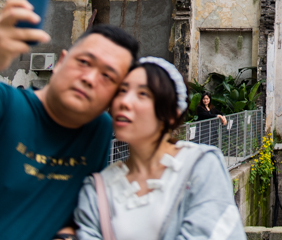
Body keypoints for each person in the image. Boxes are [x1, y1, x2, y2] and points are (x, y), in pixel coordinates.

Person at [0, 0, 139, 240]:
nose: (90, 78)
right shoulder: (6, 104)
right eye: (83, 62)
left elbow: (79, 209)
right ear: (60, 62)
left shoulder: (98, 131)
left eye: (108, 76)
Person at [74, 57, 245, 240]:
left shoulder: (200, 166)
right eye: (121, 91)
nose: (124, 102)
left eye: (142, 94)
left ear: (172, 113)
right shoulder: (97, 189)